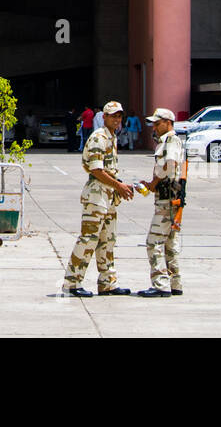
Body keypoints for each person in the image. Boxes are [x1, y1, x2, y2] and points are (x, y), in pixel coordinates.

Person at [62, 101, 135, 297]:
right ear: (104, 117)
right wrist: (118, 185)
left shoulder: (112, 137)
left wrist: (119, 185)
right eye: (113, 116)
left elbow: (108, 169)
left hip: (109, 196)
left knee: (107, 240)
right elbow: (96, 169)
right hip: (96, 195)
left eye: (119, 116)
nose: (117, 119)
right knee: (88, 239)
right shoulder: (98, 137)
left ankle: (107, 283)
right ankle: (72, 283)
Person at [135, 108, 185, 297]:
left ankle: (160, 285)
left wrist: (153, 183)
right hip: (172, 198)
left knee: (153, 242)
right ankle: (175, 283)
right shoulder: (174, 140)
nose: (154, 127)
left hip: (166, 198)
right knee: (170, 243)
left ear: (168, 123)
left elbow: (169, 163)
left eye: (158, 123)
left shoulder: (169, 141)